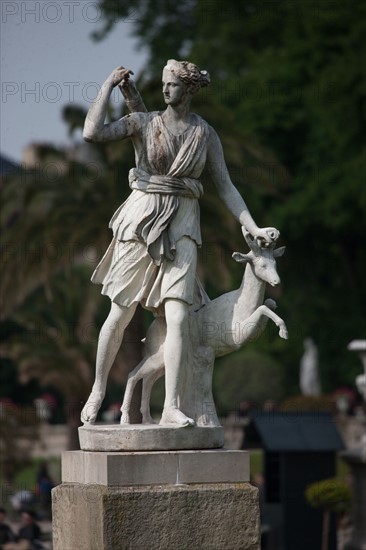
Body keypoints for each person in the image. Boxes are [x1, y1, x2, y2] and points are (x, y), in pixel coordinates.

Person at [81, 59, 279, 427]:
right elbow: (92, 133)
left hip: (184, 222)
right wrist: (108, 85)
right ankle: (96, 390)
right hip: (140, 220)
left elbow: (226, 186)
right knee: (120, 313)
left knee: (178, 316)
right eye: (162, 84)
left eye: (171, 85)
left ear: (188, 89)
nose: (165, 90)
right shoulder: (143, 121)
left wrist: (254, 227)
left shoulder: (205, 134)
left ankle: (171, 406)